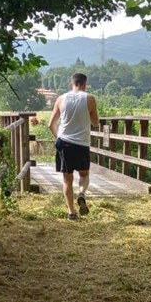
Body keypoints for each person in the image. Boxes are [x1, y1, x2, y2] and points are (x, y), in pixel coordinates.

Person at [48, 72, 99, 220]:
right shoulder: (89, 98)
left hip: (64, 142)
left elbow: (51, 124)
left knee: (67, 180)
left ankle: (72, 213)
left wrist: (59, 138)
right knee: (84, 175)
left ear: (72, 83)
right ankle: (82, 193)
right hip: (82, 144)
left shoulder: (61, 99)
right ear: (84, 84)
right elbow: (95, 122)